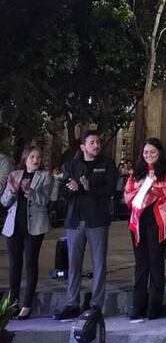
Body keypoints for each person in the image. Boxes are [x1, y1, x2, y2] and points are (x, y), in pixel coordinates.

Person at [53, 131, 117, 320]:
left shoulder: (107, 164)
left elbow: (111, 189)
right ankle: (72, 303)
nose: (96, 145)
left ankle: (96, 303)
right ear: (83, 147)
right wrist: (71, 188)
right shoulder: (71, 165)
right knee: (73, 263)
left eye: (98, 142)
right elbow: (63, 192)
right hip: (75, 220)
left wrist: (90, 188)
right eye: (92, 142)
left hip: (97, 219)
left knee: (98, 263)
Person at [123, 138, 166, 321]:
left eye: (153, 152)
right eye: (146, 152)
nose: (149, 155)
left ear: (160, 153)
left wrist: (156, 191)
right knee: (141, 264)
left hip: (158, 222)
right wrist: (142, 189)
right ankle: (138, 305)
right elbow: (128, 195)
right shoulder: (137, 174)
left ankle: (154, 306)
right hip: (139, 222)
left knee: (156, 263)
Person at [2, 145, 52, 320]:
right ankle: (12, 302)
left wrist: (29, 191)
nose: (35, 160)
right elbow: (4, 201)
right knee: (14, 265)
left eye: (38, 157)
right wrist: (13, 191)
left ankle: (27, 304)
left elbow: (45, 200)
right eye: (32, 157)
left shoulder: (45, 176)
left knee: (30, 263)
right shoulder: (15, 175)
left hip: (34, 227)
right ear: (25, 158)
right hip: (14, 227)